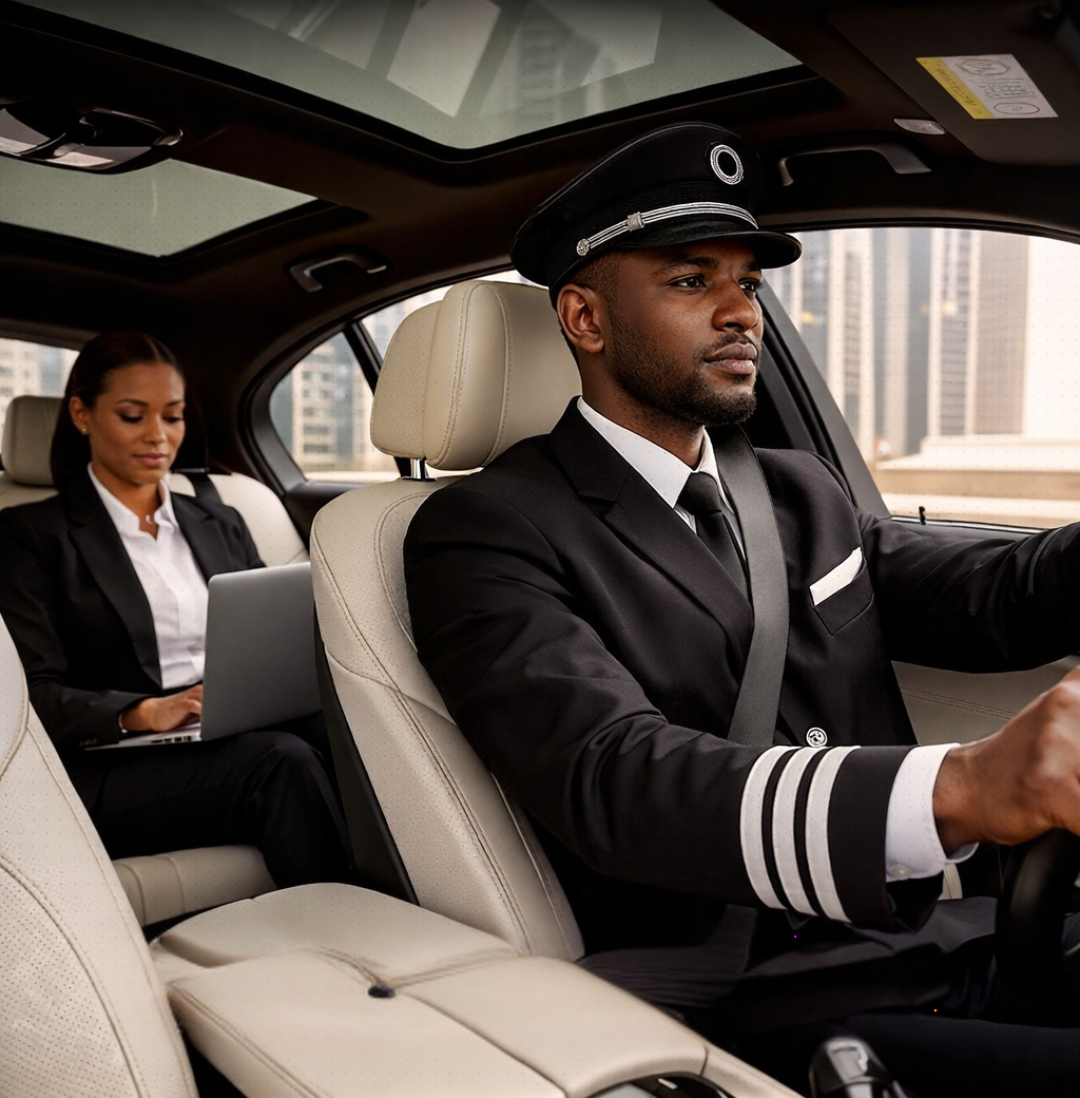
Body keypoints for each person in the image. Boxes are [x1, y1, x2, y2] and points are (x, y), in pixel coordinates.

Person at [403, 122, 1080, 1095]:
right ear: (585, 320)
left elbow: (998, 597)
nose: (740, 312)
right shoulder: (487, 530)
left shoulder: (797, 490)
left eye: (748, 284)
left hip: (948, 934)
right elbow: (614, 775)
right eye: (691, 281)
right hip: (767, 992)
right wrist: (962, 787)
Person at [0, 331, 351, 891]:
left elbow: (267, 638)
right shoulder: (28, 537)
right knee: (279, 760)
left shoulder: (222, 519)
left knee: (351, 731)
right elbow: (32, 694)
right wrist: (143, 711)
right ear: (82, 415)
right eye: (134, 416)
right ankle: (353, 924)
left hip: (224, 727)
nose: (159, 437)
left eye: (174, 416)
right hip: (107, 759)